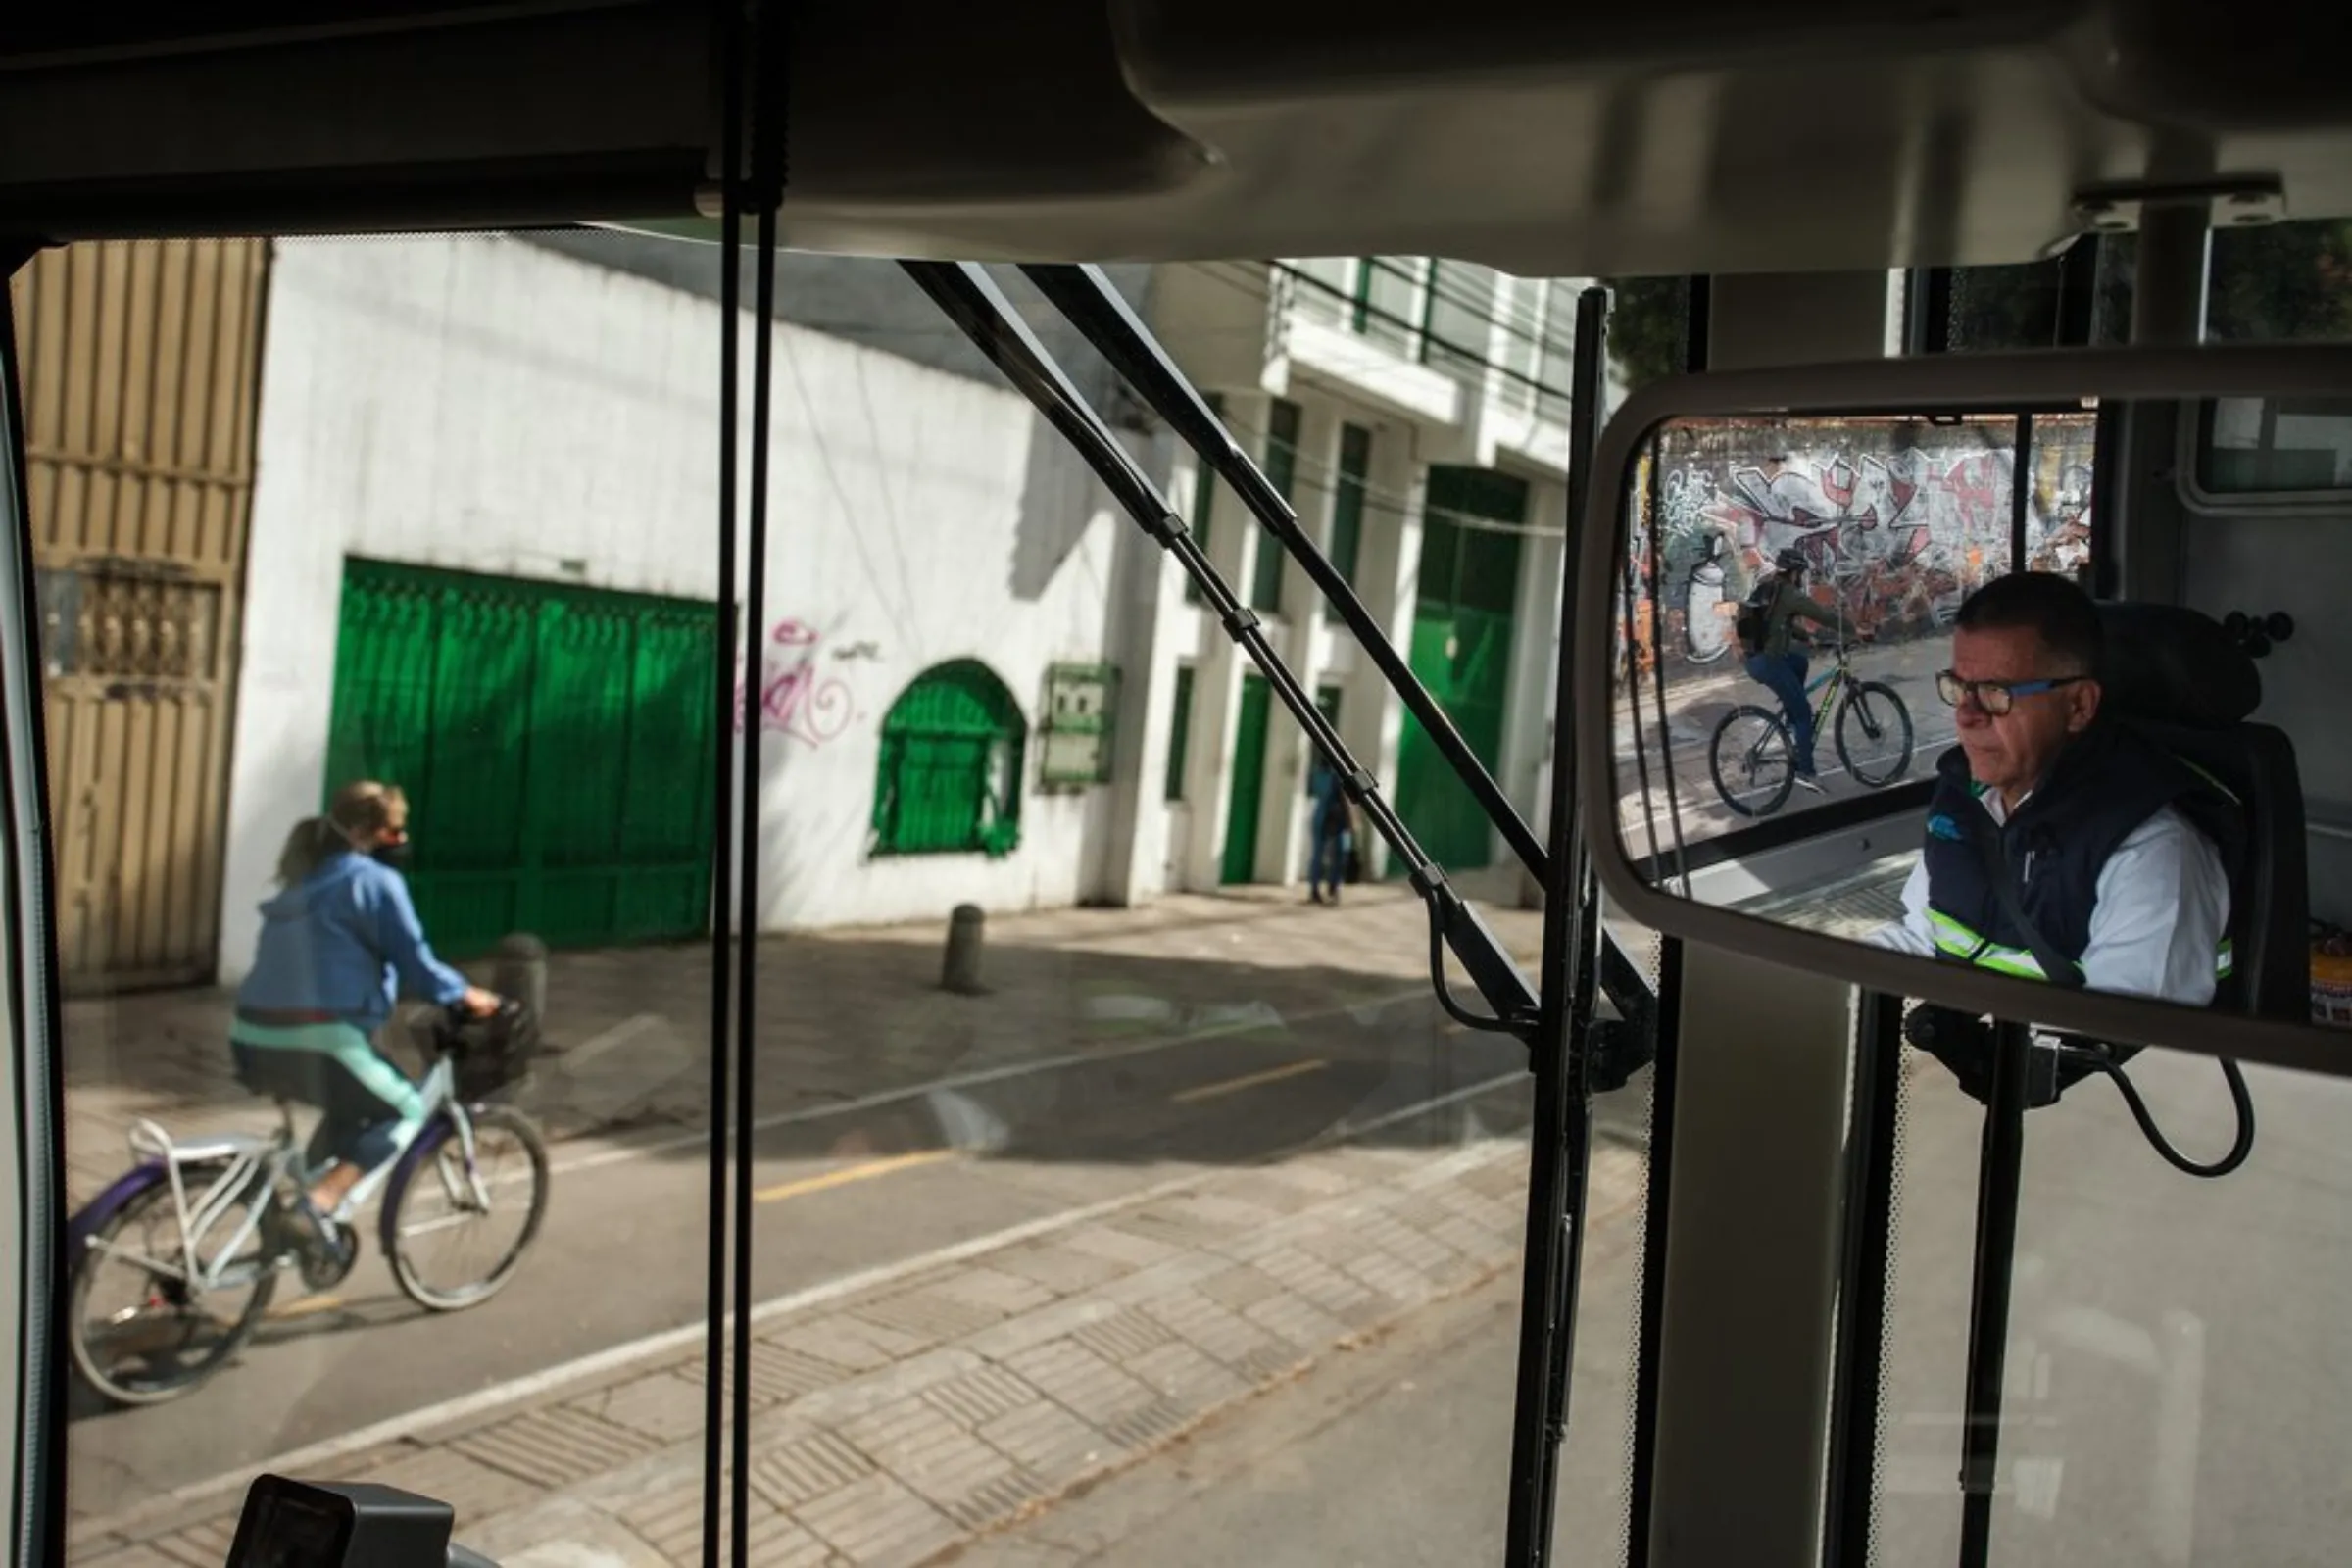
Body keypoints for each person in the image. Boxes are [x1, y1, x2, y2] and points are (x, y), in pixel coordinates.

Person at [1869, 571, 2232, 1004]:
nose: (1967, 716)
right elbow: (1925, 938)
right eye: (1960, 688)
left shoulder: (2150, 851)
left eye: (1995, 693)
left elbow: (2118, 1039)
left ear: (2078, 706)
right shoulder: (1965, 799)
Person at [232, 781, 498, 1249]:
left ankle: (304, 1216)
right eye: (393, 833)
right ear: (363, 832)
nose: (400, 843)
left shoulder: (303, 882)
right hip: (319, 1036)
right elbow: (415, 962)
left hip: (251, 1033)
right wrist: (464, 994)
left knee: (354, 1102)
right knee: (405, 1109)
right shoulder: (371, 882)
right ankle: (318, 1203)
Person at [1740, 547, 1842, 791]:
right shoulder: (1788, 593)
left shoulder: (1771, 588)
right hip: (1767, 662)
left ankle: (1790, 715)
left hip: (1757, 657)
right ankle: (1806, 771)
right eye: (1801, 573)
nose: (1802, 578)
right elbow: (1821, 614)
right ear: (1795, 573)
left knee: (1800, 662)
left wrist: (1808, 638)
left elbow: (1776, 622)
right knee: (1804, 714)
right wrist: (1851, 630)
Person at [1307, 760, 1355, 906]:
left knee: (1318, 854)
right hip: (1336, 818)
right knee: (1339, 854)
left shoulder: (1317, 773)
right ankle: (1332, 889)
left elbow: (1314, 791)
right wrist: (1351, 821)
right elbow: (1345, 799)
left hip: (1320, 816)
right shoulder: (1338, 774)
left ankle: (1316, 889)